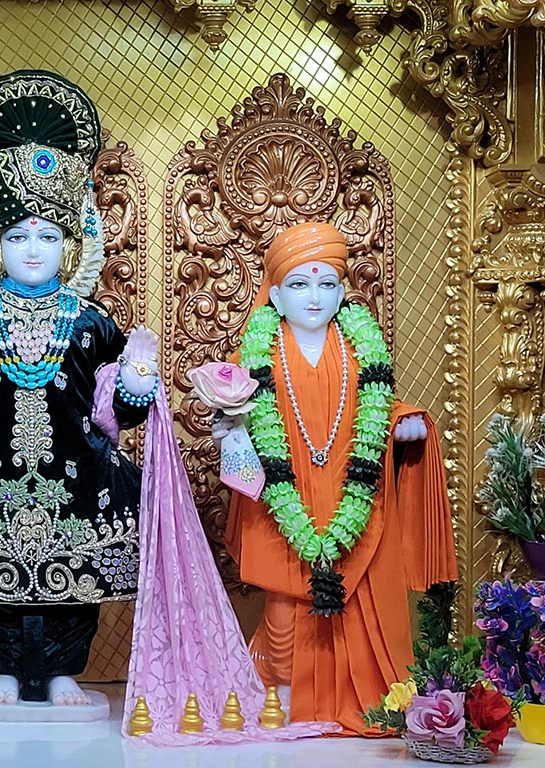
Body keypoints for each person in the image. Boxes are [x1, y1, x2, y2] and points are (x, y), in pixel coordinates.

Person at [0, 71, 334, 746]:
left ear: (73, 246)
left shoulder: (92, 322)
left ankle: (65, 670)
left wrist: (140, 382)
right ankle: (0, 668)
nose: (35, 250)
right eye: (22, 238)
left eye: (49, 238)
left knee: (77, 580)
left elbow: (115, 412)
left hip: (79, 472)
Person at [220, 221, 458, 735]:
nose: (314, 297)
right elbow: (234, 414)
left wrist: (402, 423)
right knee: (284, 611)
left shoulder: (359, 351)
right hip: (284, 506)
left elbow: (376, 408)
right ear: (277, 296)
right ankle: (280, 699)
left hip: (353, 493)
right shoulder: (258, 353)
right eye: (300, 285)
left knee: (359, 596)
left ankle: (365, 700)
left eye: (326, 284)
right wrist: (226, 422)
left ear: (343, 293)